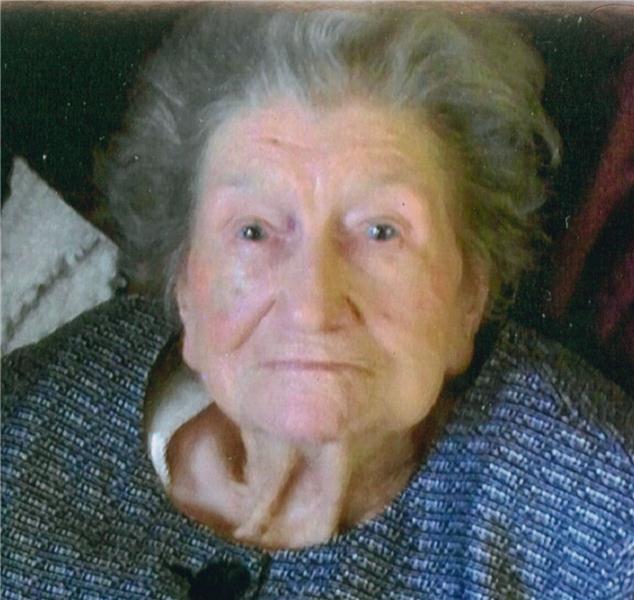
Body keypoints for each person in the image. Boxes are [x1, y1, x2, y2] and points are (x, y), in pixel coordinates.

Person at [2, 5, 633, 599]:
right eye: (254, 231)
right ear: (185, 285)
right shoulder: (25, 421)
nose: (312, 305)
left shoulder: (601, 520)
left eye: (381, 231)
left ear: (470, 295)